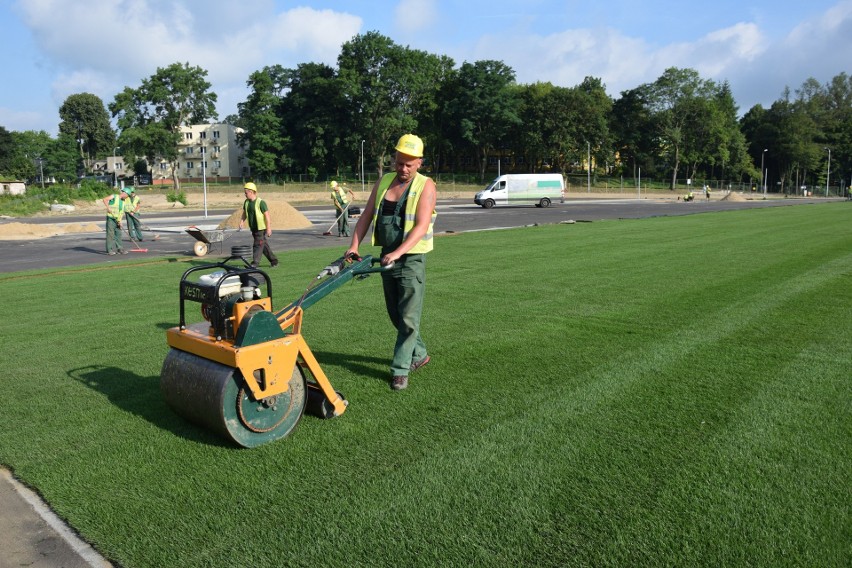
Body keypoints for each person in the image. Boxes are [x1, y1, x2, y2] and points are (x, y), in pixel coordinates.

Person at [345, 134, 437, 391]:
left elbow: (420, 227)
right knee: (396, 315)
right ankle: (420, 354)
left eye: (409, 164)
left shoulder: (426, 186)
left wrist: (398, 253)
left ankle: (400, 370)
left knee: (408, 317)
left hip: (410, 260)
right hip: (386, 255)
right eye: (399, 163)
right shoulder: (384, 182)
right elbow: (366, 216)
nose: (403, 169)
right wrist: (354, 246)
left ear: (420, 162)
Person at [238, 182, 279, 268]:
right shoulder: (246, 202)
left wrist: (268, 228)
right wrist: (242, 221)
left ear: (251, 192)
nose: (245, 194)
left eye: (246, 193)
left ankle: (255, 263)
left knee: (257, 244)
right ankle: (274, 261)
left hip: (260, 229)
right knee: (263, 245)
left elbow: (267, 216)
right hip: (253, 228)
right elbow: (245, 213)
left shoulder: (261, 202)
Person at [102, 187, 129, 255]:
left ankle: (120, 249)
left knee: (118, 234)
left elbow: (121, 212)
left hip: (117, 219)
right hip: (111, 218)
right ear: (124, 193)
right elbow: (104, 200)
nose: (127, 197)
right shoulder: (114, 196)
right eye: (127, 195)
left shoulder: (123, 202)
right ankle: (109, 250)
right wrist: (108, 208)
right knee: (110, 234)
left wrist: (120, 221)